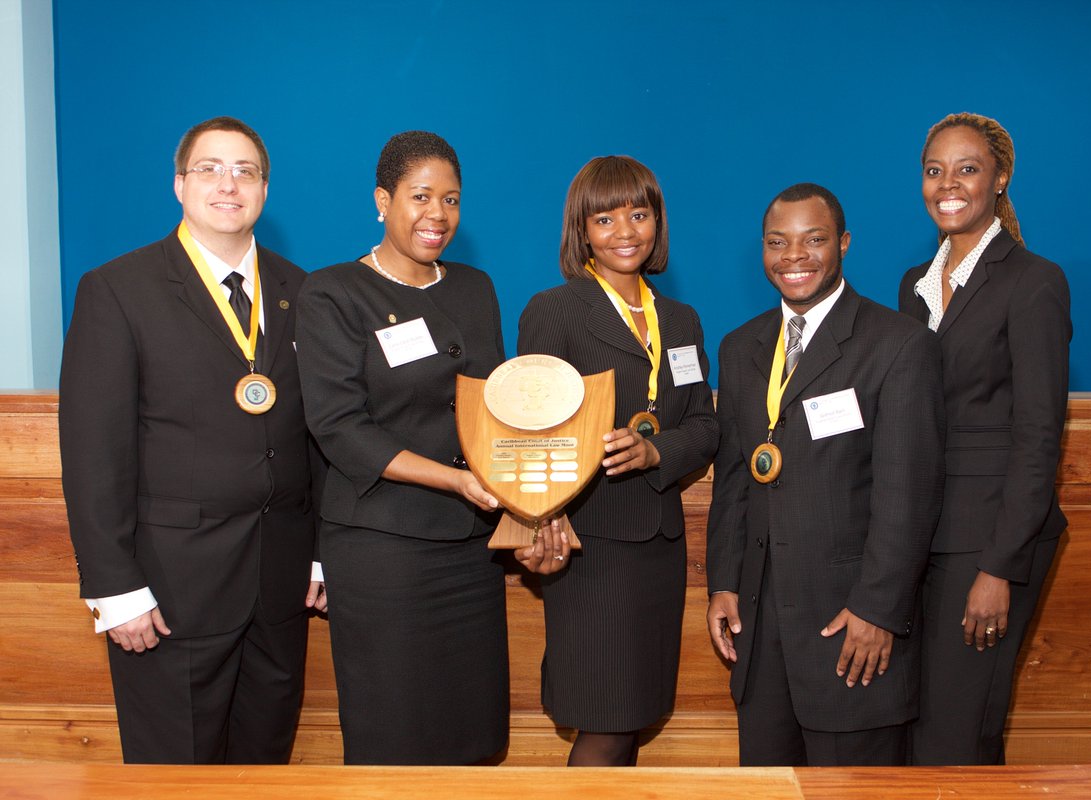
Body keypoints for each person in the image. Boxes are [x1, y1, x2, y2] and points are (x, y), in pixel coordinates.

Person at [59, 116, 324, 764]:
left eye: (245, 171)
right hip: (168, 595)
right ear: (179, 184)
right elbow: (94, 455)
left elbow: (319, 435)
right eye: (210, 169)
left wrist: (322, 556)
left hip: (280, 588)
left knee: (264, 772)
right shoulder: (118, 290)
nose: (228, 184)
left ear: (264, 190)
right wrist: (114, 588)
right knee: (173, 777)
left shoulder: (304, 291)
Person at [295, 131, 563, 765]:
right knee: (395, 735)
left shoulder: (474, 287)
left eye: (451, 199)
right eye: (420, 196)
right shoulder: (333, 292)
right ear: (382, 201)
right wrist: (456, 480)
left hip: (470, 550)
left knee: (474, 732)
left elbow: (499, 410)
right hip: (382, 551)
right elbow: (339, 426)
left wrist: (536, 503)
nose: (437, 214)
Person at [705, 183, 944, 767]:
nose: (794, 256)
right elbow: (735, 480)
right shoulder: (740, 348)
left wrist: (878, 610)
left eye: (813, 240)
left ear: (843, 243)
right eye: (777, 242)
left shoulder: (898, 345)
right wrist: (724, 583)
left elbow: (907, 496)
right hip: (760, 631)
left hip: (851, 628)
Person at [517, 156, 718, 766]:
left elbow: (705, 426)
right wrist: (543, 518)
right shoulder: (553, 311)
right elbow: (530, 433)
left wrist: (657, 449)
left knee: (633, 716)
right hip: (587, 543)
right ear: (581, 230)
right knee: (604, 719)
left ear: (658, 220)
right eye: (604, 219)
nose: (625, 231)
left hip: (659, 546)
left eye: (638, 214)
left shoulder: (681, 320)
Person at [900, 113, 1072, 765]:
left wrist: (998, 568)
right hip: (923, 538)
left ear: (999, 180)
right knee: (916, 733)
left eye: (967, 169)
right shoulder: (913, 286)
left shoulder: (1034, 281)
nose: (948, 184)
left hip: (990, 541)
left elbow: (1038, 438)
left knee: (957, 737)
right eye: (934, 170)